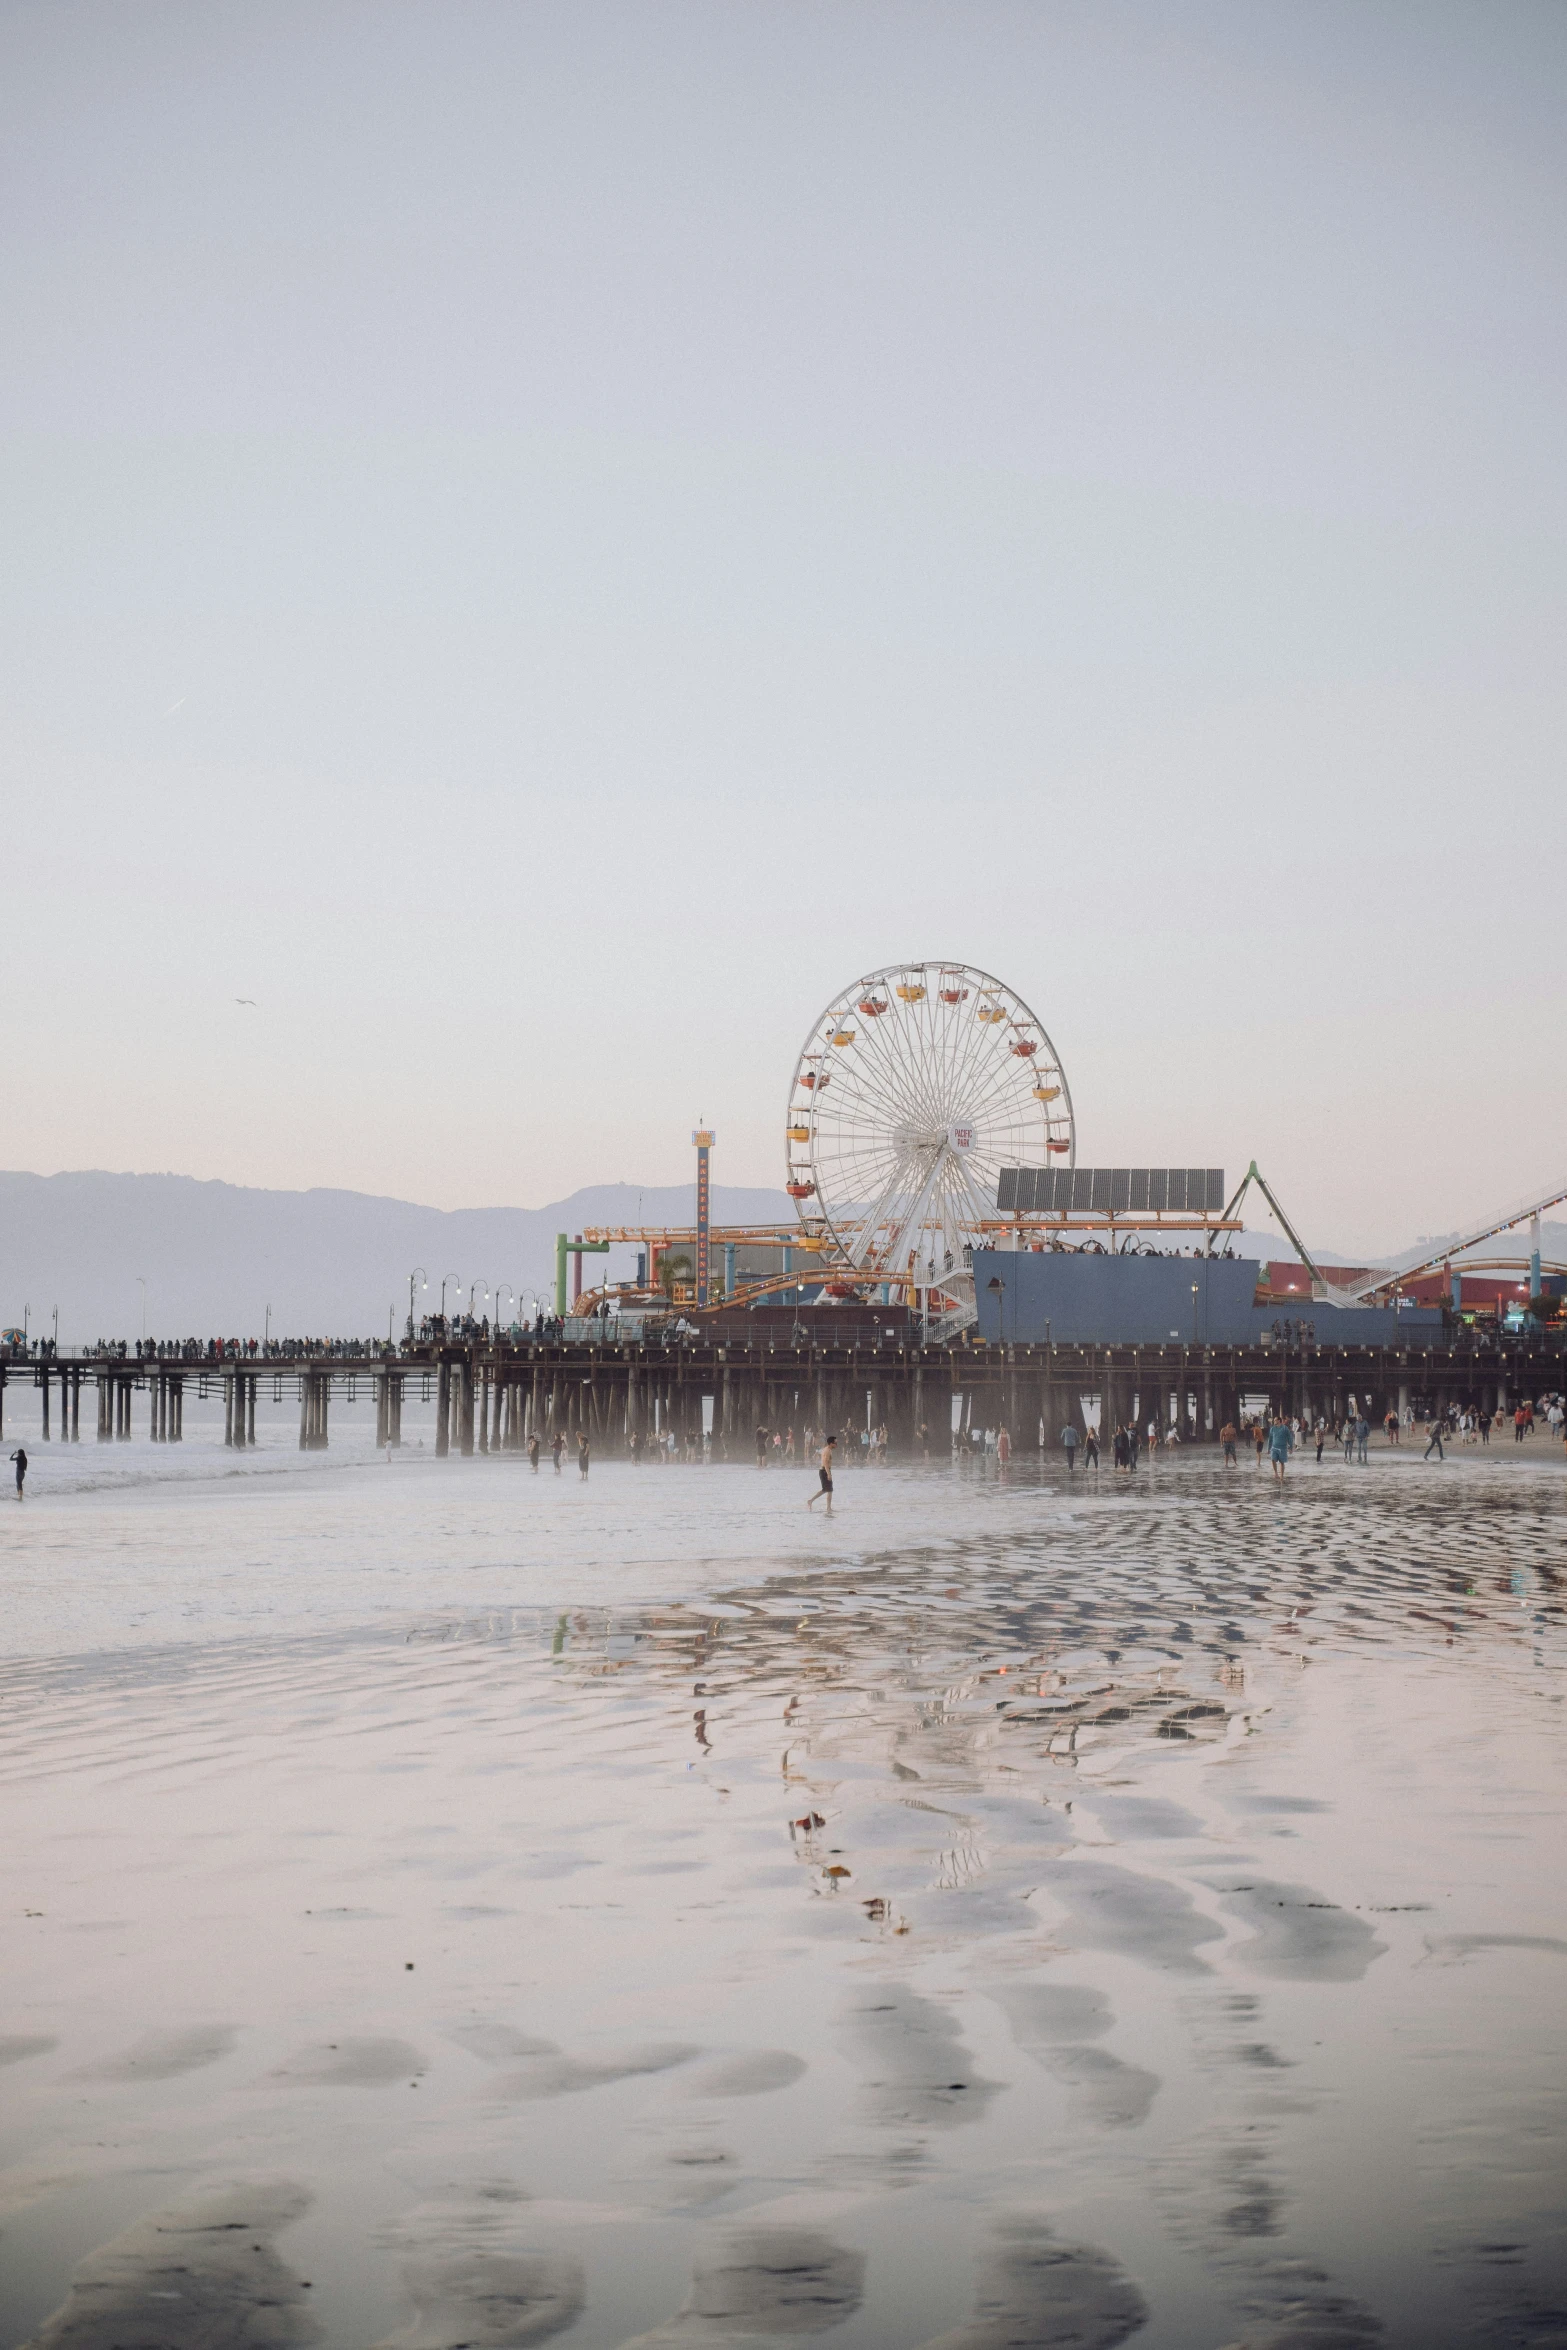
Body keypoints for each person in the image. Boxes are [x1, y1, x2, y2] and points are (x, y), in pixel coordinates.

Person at [807, 1432, 836, 1512]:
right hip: (824, 1471)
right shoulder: (827, 1451)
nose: (836, 1444)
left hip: (823, 1471)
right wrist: (829, 1474)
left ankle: (811, 1501)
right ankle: (828, 1508)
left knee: (825, 1490)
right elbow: (826, 1463)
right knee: (829, 1490)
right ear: (831, 1443)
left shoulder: (826, 1449)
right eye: (835, 1443)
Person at [1267, 1417, 1294, 1484]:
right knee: (1273, 1459)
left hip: (1283, 1448)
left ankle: (1281, 1476)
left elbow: (1289, 1437)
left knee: (1282, 1462)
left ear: (1279, 1421)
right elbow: (1270, 1439)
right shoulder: (1272, 1429)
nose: (1274, 1421)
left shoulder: (1285, 1428)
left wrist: (1290, 1447)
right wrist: (1268, 1448)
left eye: (1275, 1420)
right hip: (1274, 1447)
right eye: (1274, 1420)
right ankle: (1276, 1473)